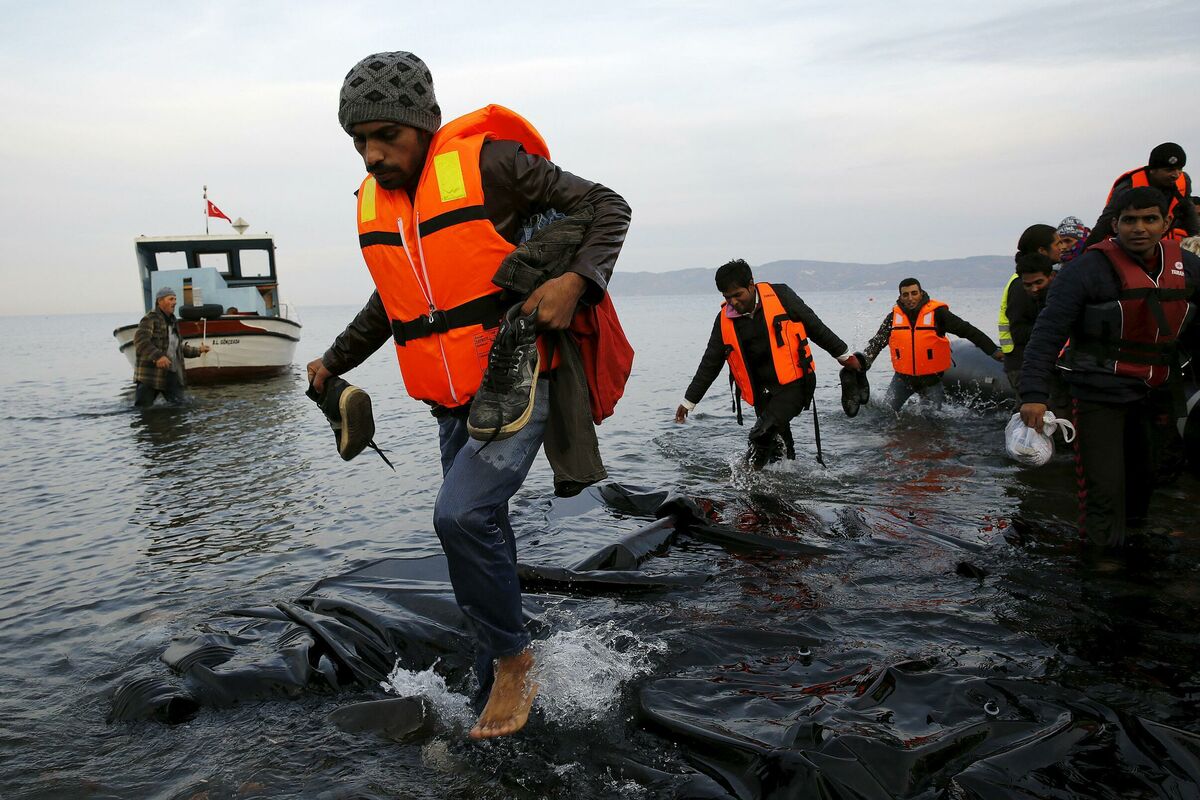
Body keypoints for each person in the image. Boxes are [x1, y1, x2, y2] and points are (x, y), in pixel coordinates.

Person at [305, 52, 630, 739]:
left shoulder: (492, 165)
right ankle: (492, 686)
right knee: (481, 534)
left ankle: (514, 662)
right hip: (451, 402)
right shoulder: (383, 206)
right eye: (358, 140)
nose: (371, 154)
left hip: (518, 379)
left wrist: (577, 281)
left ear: (425, 123)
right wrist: (332, 361)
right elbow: (393, 302)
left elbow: (608, 206)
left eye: (385, 135)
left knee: (458, 517)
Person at [1020, 186, 1200, 547]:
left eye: (1149, 219)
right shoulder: (1085, 271)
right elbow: (1046, 335)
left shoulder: (1189, 267)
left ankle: (1134, 549)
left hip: (1156, 393)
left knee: (1144, 481)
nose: (1139, 228)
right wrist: (1033, 394)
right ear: (1115, 224)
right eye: (1129, 220)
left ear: (1166, 222)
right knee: (1104, 489)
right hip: (1099, 395)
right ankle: (1101, 563)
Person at [673, 260, 862, 469]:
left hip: (795, 384)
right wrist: (689, 400)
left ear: (751, 284)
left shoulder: (782, 297)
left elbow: (815, 327)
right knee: (777, 449)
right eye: (727, 297)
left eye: (737, 295)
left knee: (761, 434)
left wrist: (844, 356)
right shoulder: (723, 321)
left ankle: (744, 477)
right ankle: (788, 477)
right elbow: (710, 363)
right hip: (762, 392)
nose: (733, 302)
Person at [862, 278, 1002, 412]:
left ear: (921, 293)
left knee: (934, 420)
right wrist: (864, 361)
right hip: (902, 379)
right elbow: (877, 343)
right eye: (905, 295)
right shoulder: (893, 318)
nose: (910, 298)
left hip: (930, 381)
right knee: (886, 412)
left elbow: (968, 330)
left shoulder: (938, 314)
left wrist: (993, 351)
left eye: (914, 293)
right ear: (900, 297)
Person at [1084, 142, 1199, 247]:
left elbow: (1188, 212)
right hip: (1128, 242)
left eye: (1179, 169)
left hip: (1161, 240)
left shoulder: (1184, 181)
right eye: (1169, 170)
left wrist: (1196, 239)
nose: (1176, 175)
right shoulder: (1129, 185)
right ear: (1153, 170)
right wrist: (1086, 252)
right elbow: (1105, 222)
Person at [132, 286, 210, 407]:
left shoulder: (173, 321)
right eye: (171, 299)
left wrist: (199, 350)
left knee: (181, 407)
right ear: (160, 301)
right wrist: (158, 357)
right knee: (143, 410)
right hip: (150, 376)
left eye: (175, 299)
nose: (175, 302)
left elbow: (177, 348)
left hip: (171, 374)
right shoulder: (150, 319)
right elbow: (140, 340)